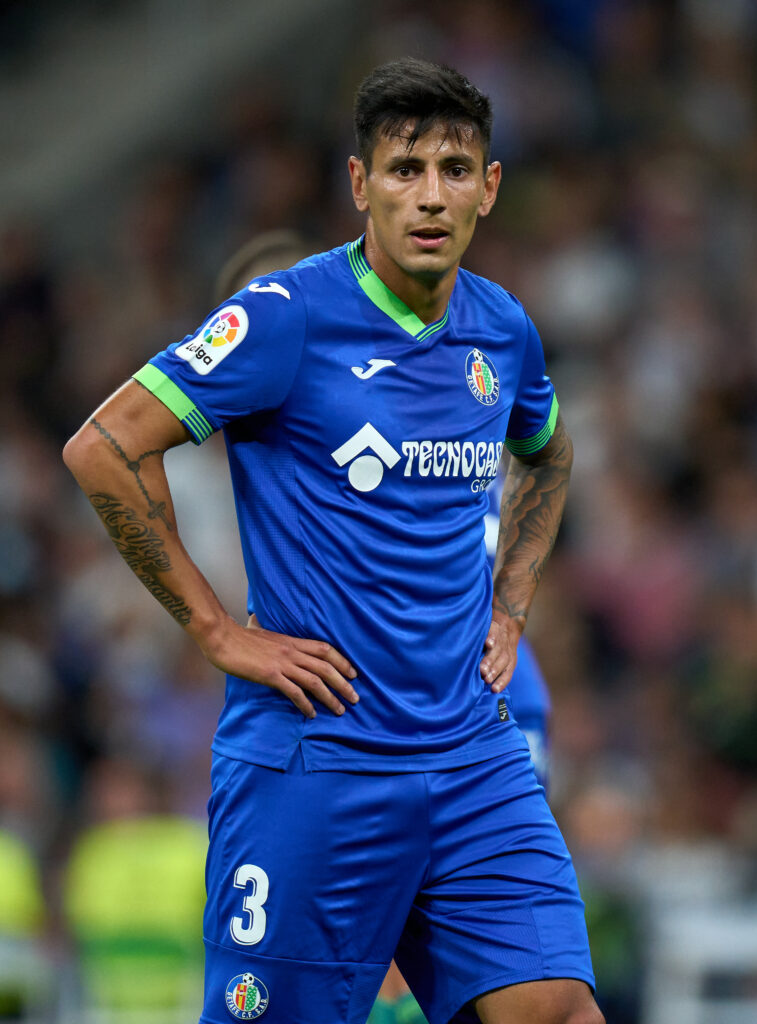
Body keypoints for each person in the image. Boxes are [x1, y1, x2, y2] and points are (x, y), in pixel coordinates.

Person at [64, 58, 602, 1024]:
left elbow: (550, 457)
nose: (429, 195)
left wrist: (512, 607)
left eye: (453, 167)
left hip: (470, 756)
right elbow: (104, 447)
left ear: (489, 187)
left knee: (557, 1007)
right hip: (321, 759)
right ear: (361, 186)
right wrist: (219, 633)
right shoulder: (288, 317)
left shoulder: (502, 328)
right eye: (403, 170)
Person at [215, 230, 553, 1024]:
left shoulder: (394, 392)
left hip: (459, 705)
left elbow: (544, 458)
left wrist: (511, 605)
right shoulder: (426, 387)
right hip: (437, 700)